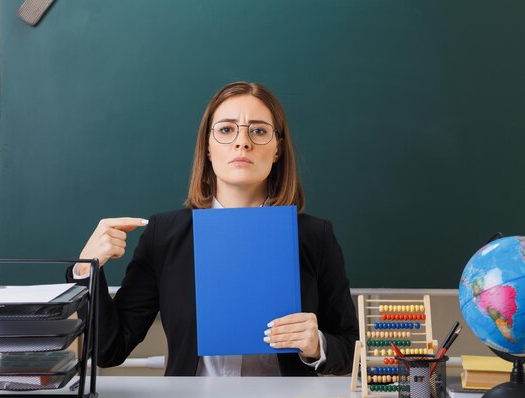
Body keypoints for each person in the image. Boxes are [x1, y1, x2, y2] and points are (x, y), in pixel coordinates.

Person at [68, 81, 359, 376]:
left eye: (258, 131)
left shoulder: (314, 236)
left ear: (277, 150)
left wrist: (317, 345)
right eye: (226, 129)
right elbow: (108, 350)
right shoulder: (164, 235)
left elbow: (351, 348)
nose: (242, 142)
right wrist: (86, 270)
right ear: (207, 147)